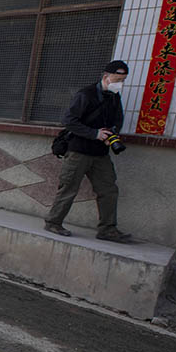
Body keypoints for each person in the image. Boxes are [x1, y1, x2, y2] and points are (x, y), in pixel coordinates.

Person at [44, 60, 133, 243]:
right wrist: (94, 133)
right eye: (117, 79)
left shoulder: (115, 97)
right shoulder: (86, 94)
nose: (119, 84)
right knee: (69, 188)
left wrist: (112, 134)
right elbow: (69, 120)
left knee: (109, 189)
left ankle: (107, 229)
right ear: (106, 77)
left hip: (100, 153)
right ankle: (54, 222)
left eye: (123, 80)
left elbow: (118, 119)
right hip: (79, 150)